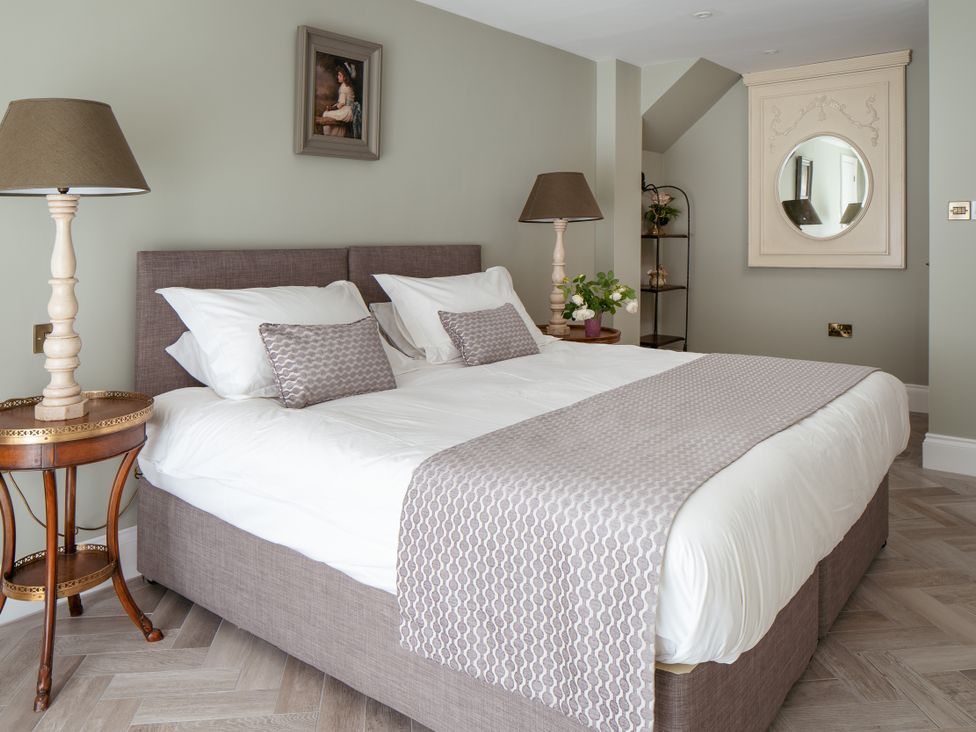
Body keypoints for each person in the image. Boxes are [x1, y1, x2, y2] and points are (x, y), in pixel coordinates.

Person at [316, 66, 356, 137]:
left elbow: (341, 104)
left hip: (347, 111)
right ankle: (337, 134)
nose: (338, 77)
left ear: (345, 77)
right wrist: (332, 107)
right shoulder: (347, 85)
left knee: (326, 114)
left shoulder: (344, 87)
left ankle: (329, 135)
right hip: (350, 109)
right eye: (338, 75)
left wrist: (331, 108)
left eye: (340, 75)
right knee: (329, 112)